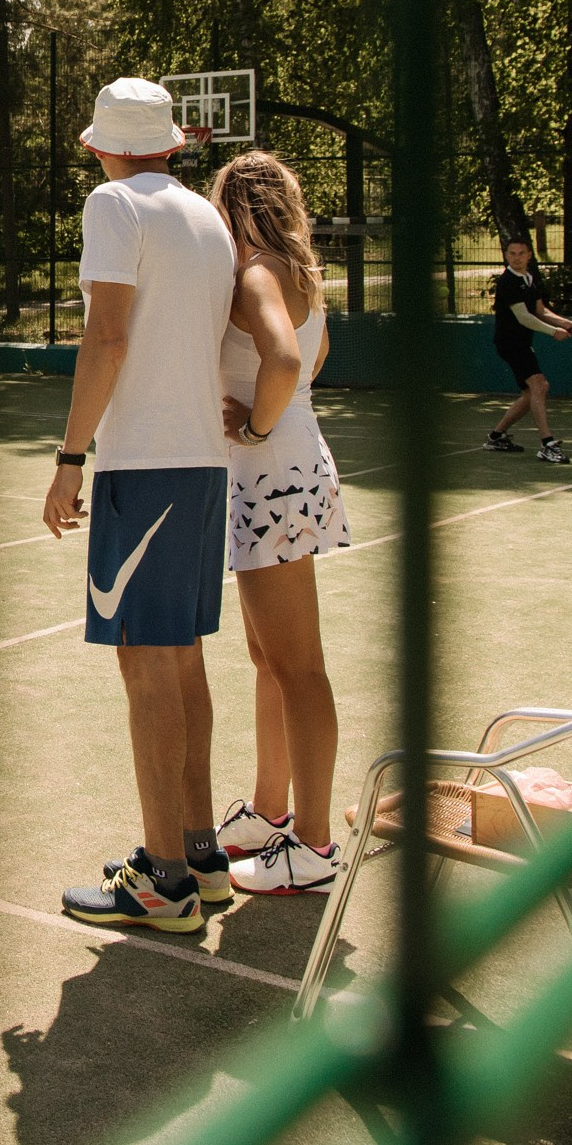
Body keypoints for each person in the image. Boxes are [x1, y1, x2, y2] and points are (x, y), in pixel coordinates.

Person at [47, 78, 237, 933]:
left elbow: (108, 335)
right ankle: (199, 857)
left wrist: (69, 458)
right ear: (170, 143)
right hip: (201, 465)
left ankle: (163, 880)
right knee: (181, 660)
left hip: (147, 465)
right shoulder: (207, 217)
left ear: (101, 147)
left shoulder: (113, 205)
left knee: (146, 667)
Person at [211, 152, 348, 895]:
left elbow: (288, 361)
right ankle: (270, 814)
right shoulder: (302, 274)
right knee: (271, 659)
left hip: (271, 478)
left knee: (298, 667)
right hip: (289, 472)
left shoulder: (258, 274)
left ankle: (315, 846)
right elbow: (316, 357)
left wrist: (256, 427)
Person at [486, 236, 572, 464]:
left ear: (529, 255)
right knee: (539, 385)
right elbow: (523, 317)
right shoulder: (508, 282)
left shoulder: (530, 279)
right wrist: (553, 332)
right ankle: (547, 444)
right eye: (512, 254)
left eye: (521, 253)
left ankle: (496, 437)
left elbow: (541, 311)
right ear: (506, 256)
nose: (516, 258)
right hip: (510, 343)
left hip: (522, 343)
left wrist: (567, 323)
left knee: (532, 392)